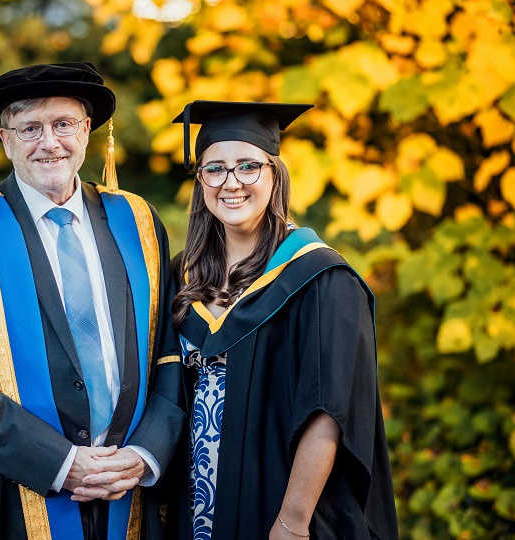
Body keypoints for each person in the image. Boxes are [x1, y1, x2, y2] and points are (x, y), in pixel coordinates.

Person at [0, 62, 185, 540]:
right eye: (31, 128)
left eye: (64, 124)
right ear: (6, 139)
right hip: (16, 493)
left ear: (87, 131)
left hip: (128, 488)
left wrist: (144, 454)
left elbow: (170, 356)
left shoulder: (139, 222)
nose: (50, 143)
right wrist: (61, 464)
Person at [168, 101, 399, 540]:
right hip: (192, 504)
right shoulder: (182, 275)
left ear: (275, 175)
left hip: (279, 506)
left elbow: (329, 412)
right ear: (200, 182)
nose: (231, 182)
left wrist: (292, 521)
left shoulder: (321, 279)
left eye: (248, 166)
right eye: (214, 169)